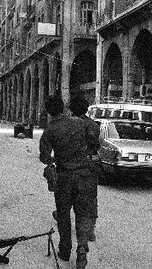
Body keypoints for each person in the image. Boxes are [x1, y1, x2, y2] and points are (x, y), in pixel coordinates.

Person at [39, 96, 100, 268]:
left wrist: (55, 159)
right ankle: (82, 247)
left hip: (64, 177)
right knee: (82, 214)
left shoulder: (50, 130)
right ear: (64, 108)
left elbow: (44, 157)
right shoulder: (80, 123)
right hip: (84, 176)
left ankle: (65, 250)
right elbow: (93, 144)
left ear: (49, 112)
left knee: (63, 214)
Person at [68, 96, 101, 243]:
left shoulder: (68, 124)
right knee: (91, 198)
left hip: (72, 164)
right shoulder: (93, 125)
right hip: (90, 165)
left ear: (71, 110)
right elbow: (95, 146)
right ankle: (90, 231)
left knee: (68, 194)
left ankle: (64, 217)